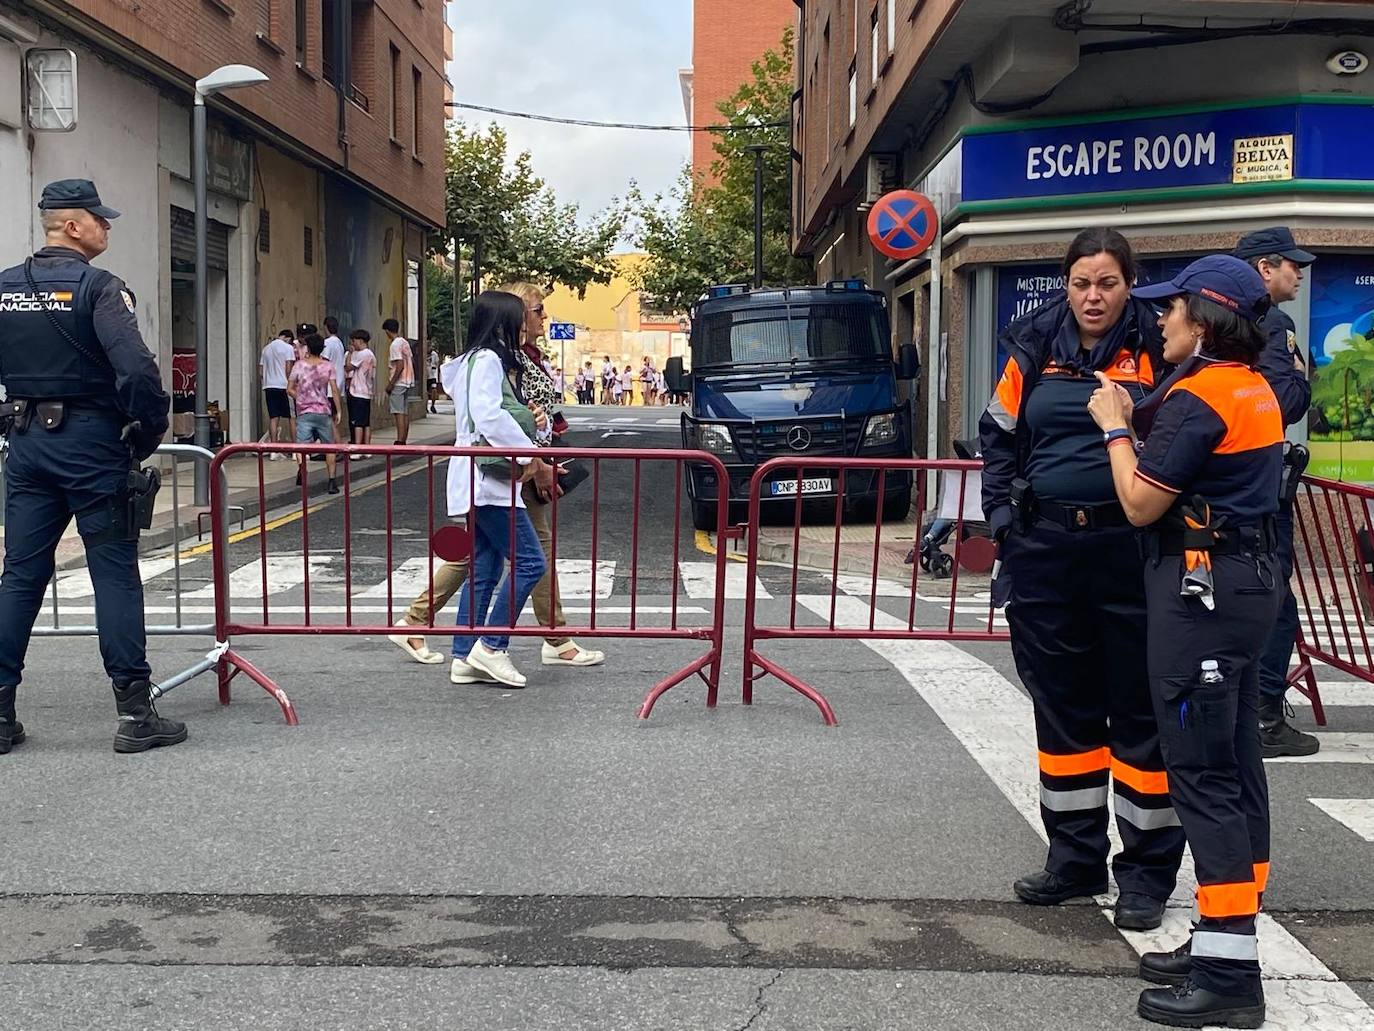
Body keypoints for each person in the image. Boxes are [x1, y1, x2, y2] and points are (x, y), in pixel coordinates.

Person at [1088, 255, 1284, 1029]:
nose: (1159, 319)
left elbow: (1139, 502)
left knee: (1201, 771)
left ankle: (1229, 974)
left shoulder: (1202, 396)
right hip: (1246, 582)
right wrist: (1145, 406)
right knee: (1235, 760)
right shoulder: (1251, 384)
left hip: (1200, 590)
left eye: (1172, 309)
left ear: (1202, 320)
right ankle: (1225, 940)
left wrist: (1114, 428)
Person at [980, 227, 1182, 932]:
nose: (1092, 296)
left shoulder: (1159, 346)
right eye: (1080, 283)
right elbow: (998, 433)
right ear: (1064, 285)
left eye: (1107, 283)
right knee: (1062, 710)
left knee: (1140, 716)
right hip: (1046, 551)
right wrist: (1003, 518)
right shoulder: (1035, 342)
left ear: (1130, 283)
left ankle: (1148, 873)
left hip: (1133, 550)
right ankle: (1074, 859)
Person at [0, 178, 183, 754]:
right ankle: (135, 715)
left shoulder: (5, 289)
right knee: (113, 573)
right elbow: (136, 369)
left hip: (27, 445)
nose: (107, 227)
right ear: (74, 226)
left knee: (20, 577)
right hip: (92, 446)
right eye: (100, 220)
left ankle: (0, 716)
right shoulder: (100, 288)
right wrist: (148, 430)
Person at [1234, 227, 1320, 758]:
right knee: (1275, 603)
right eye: (1292, 264)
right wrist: (1301, 379)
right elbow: (1285, 403)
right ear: (1265, 268)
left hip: (1222, 485)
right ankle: (1264, 713)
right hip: (1263, 487)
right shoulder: (1274, 323)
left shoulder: (1214, 318)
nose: (1300, 272)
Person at [440, 290, 555, 687]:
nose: (522, 326)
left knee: (486, 568)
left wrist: (530, 424)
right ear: (501, 324)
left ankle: (462, 655)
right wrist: (526, 453)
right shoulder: (488, 360)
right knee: (530, 563)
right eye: (516, 319)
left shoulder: (468, 362)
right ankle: (491, 647)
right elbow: (489, 415)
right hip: (487, 480)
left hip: (471, 478)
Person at [288, 333, 343, 495]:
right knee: (329, 447)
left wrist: (300, 398)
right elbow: (334, 389)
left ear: (308, 348)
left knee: (301, 446)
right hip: (323, 411)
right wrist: (338, 410)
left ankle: (302, 471)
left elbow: (289, 388)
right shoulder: (328, 366)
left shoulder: (299, 366)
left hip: (304, 412)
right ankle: (332, 481)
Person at [260, 328, 296, 460]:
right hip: (284, 386)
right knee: (292, 417)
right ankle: (295, 450)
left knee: (273, 418)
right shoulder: (288, 348)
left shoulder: (266, 349)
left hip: (269, 386)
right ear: (288, 338)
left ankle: (273, 451)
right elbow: (288, 369)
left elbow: (260, 371)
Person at [383, 318, 414, 444]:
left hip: (399, 382)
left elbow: (400, 365)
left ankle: (400, 440)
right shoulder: (404, 342)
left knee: (398, 412)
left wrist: (391, 384)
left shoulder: (395, 345)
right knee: (404, 412)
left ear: (388, 331)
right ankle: (403, 439)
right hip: (408, 381)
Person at [346, 329, 376, 445]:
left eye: (353, 341)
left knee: (358, 423)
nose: (353, 343)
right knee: (365, 422)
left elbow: (348, 367)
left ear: (360, 340)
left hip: (358, 392)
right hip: (367, 392)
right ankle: (367, 447)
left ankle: (358, 447)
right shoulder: (371, 354)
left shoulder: (362, 354)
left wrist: (350, 354)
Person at [321, 316, 348, 419]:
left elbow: (325, 361)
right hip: (339, 383)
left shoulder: (328, 343)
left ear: (326, 327)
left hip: (329, 387)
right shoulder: (339, 342)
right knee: (333, 417)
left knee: (329, 419)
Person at [427, 345, 441, 413]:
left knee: (434, 390)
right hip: (425, 375)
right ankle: (425, 407)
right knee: (425, 391)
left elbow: (437, 363)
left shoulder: (434, 354)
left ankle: (432, 405)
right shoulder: (423, 353)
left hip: (432, 375)